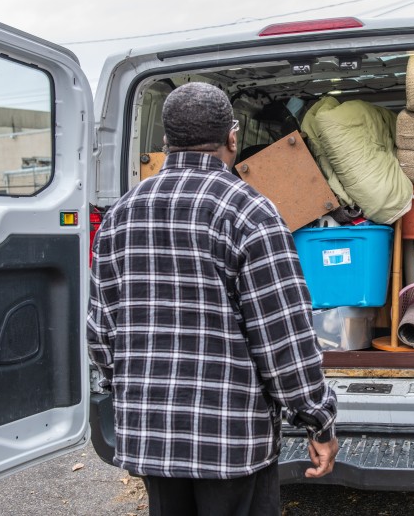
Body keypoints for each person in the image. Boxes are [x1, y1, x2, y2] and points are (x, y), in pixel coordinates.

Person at [87, 82, 338, 516]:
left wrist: (126, 392)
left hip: (153, 437)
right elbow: (284, 340)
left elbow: (101, 333)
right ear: (232, 138)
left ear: (165, 141)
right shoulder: (250, 212)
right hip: (230, 441)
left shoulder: (119, 216)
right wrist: (317, 419)